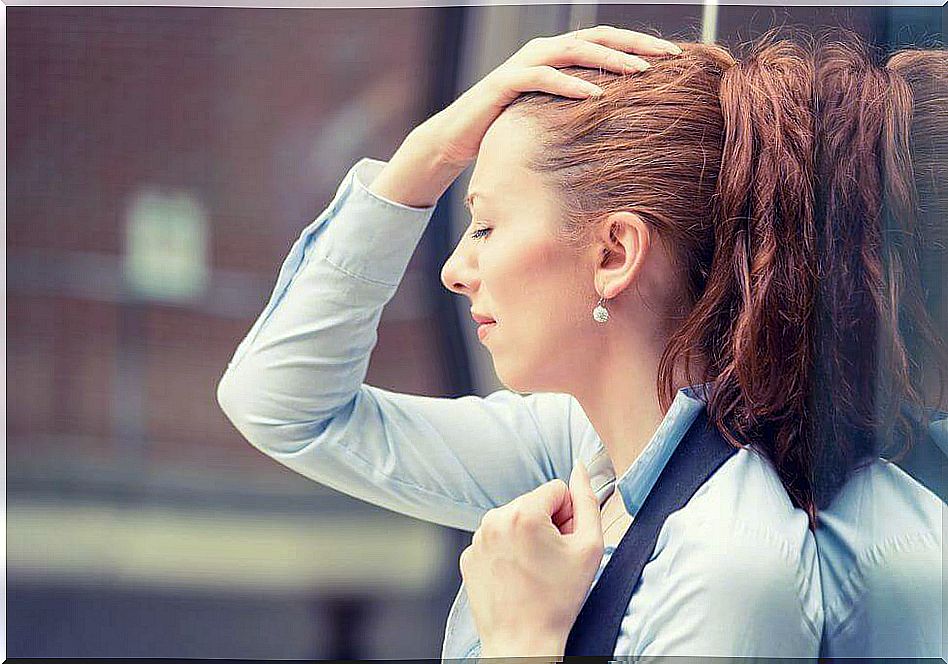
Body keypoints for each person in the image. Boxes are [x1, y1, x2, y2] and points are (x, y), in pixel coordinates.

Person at [216, 27, 824, 659]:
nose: (454, 269)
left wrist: (521, 644)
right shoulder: (584, 446)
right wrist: (429, 152)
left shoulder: (727, 575)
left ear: (613, 254)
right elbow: (283, 407)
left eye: (485, 225)